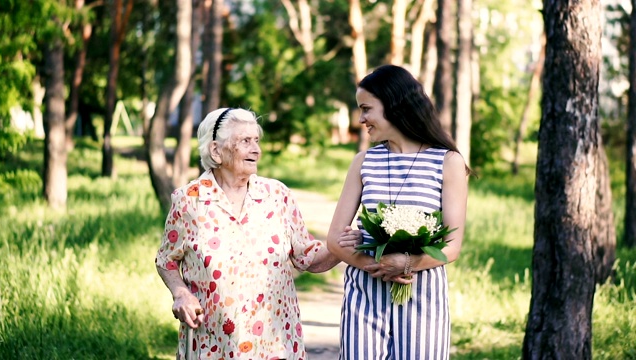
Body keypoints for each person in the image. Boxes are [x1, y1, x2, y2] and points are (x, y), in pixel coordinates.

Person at [155, 107, 359, 360]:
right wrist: (181, 294)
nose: (256, 150)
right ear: (216, 150)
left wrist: (345, 242)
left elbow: (307, 257)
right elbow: (166, 260)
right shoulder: (189, 201)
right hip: (212, 344)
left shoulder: (277, 196)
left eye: (256, 141)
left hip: (274, 344)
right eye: (245, 141)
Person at [326, 65, 469, 360]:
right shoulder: (363, 161)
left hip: (423, 291)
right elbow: (334, 239)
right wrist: (371, 266)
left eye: (367, 109)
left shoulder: (448, 162)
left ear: (393, 105)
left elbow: (452, 247)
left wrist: (406, 263)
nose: (361, 118)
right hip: (364, 292)